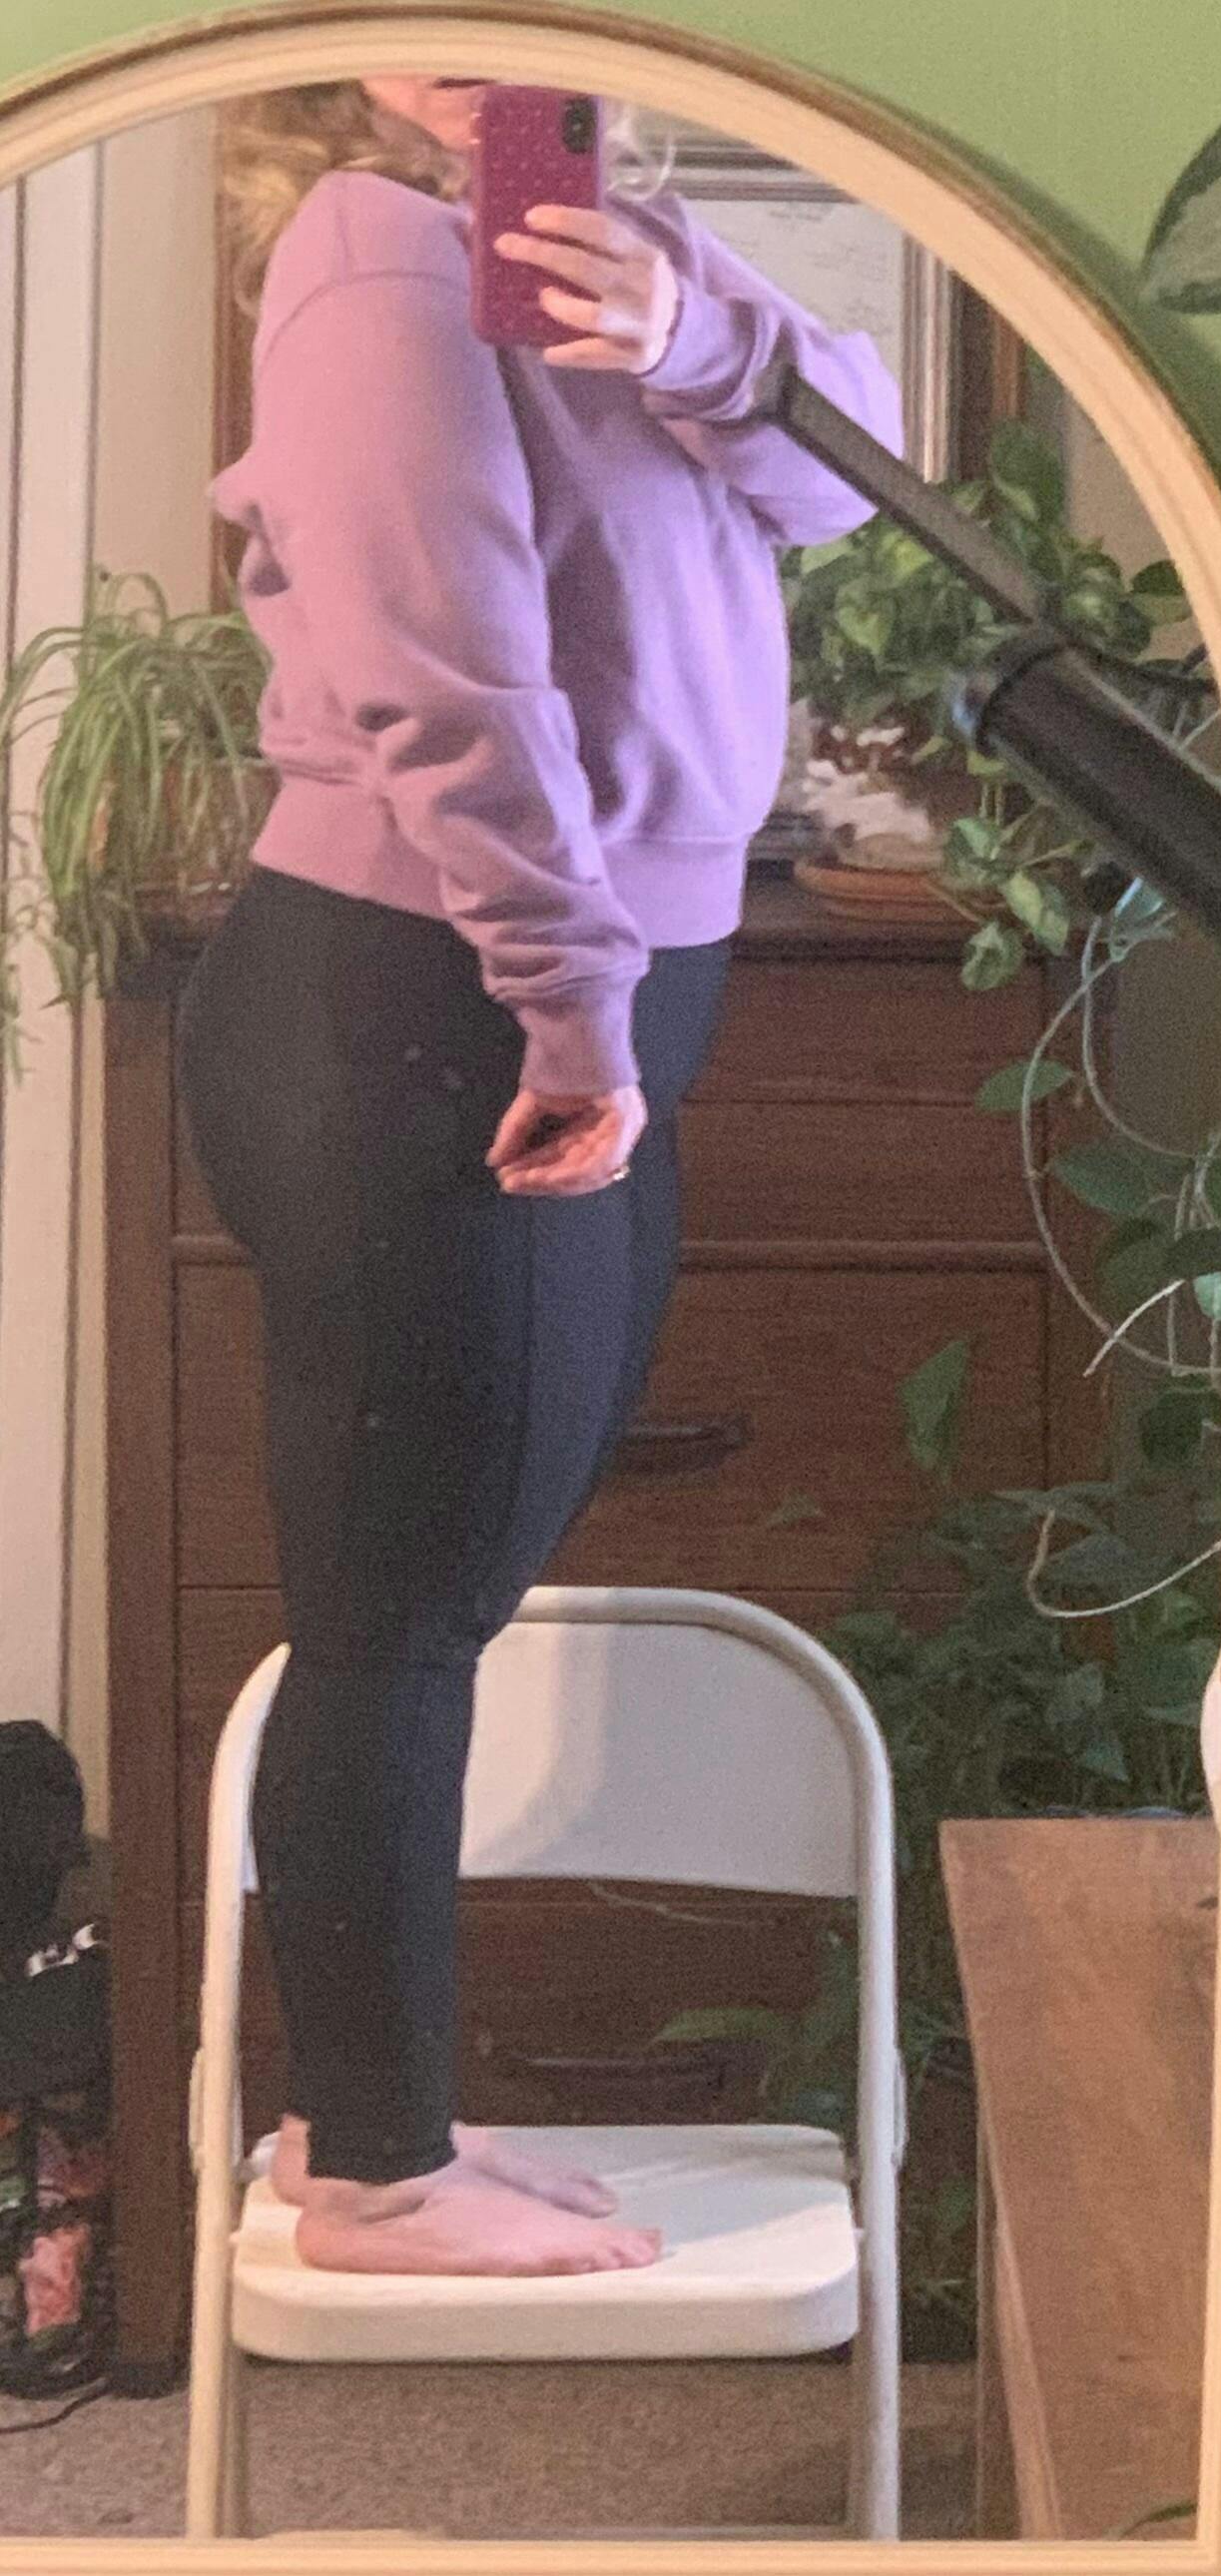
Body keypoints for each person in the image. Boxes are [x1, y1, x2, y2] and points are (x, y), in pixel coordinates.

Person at [176, 74, 903, 2280]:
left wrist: (697, 331)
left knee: (433, 1586)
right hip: (436, 983)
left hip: (567, 975)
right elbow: (439, 648)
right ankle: (376, 2167)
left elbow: (849, 481)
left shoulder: (614, 235)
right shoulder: (373, 251)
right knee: (392, 1612)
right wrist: (567, 996)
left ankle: (379, 2124)